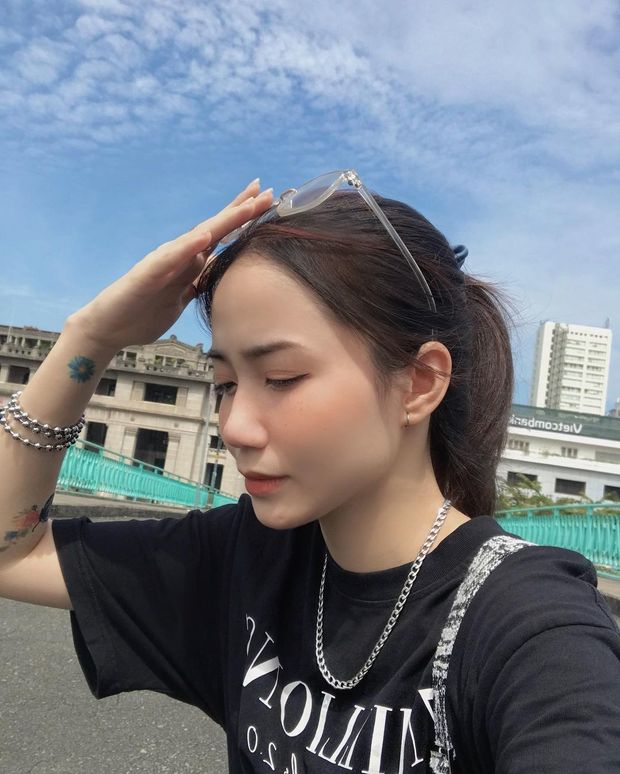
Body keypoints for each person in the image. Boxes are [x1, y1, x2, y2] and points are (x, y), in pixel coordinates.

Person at [0, 172, 618, 774]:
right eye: (225, 384)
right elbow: (11, 553)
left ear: (419, 383)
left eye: (282, 378)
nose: (236, 426)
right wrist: (92, 335)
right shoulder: (242, 557)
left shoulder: (531, 628)